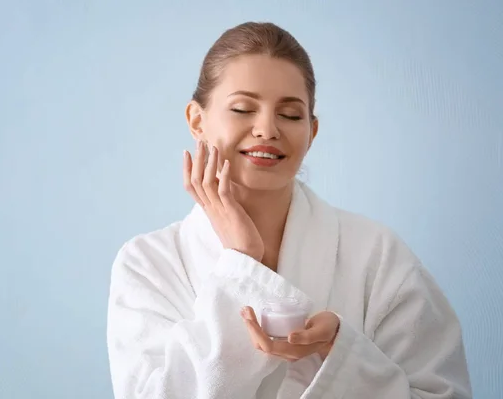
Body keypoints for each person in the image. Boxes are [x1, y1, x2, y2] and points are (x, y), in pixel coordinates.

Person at [106, 21, 472, 399]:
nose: (266, 129)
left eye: (291, 115)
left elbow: (443, 393)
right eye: (243, 108)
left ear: (312, 133)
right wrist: (241, 262)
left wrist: (339, 352)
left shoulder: (376, 254)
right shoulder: (148, 264)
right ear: (197, 121)